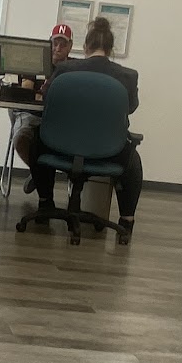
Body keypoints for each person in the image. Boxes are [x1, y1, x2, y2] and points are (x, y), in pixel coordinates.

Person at [30, 15, 142, 239]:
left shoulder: (64, 70)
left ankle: (45, 202)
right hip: (107, 152)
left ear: (84, 46)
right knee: (133, 160)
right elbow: (130, 108)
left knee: (34, 138)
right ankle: (126, 222)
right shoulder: (128, 77)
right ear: (111, 49)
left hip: (60, 148)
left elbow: (48, 102)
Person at [13, 23, 76, 175]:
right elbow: (27, 91)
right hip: (33, 114)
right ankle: (40, 174)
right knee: (21, 137)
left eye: (63, 44)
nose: (58, 48)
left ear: (70, 46)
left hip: (60, 118)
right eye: (55, 43)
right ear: (49, 43)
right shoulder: (36, 62)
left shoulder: (75, 67)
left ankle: (41, 175)